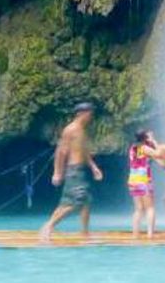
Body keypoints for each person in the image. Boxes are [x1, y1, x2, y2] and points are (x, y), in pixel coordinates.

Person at [39, 102, 104, 242]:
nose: (91, 116)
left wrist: (94, 167)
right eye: (89, 113)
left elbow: (84, 151)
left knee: (82, 201)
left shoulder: (83, 130)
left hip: (81, 169)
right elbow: (61, 151)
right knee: (77, 202)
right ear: (80, 113)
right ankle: (49, 226)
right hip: (74, 171)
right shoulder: (71, 129)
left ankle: (85, 233)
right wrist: (57, 172)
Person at [127, 130, 159, 239]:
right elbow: (159, 154)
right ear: (145, 138)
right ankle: (150, 234)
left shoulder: (133, 148)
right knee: (150, 208)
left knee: (138, 209)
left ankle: (135, 234)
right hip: (144, 179)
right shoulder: (144, 148)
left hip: (133, 180)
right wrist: (153, 141)